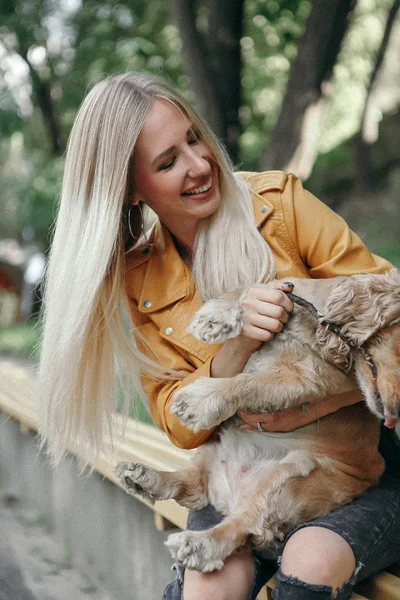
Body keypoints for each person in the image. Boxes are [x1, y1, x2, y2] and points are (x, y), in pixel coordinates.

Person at [38, 72, 400, 600]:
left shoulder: (283, 205)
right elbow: (179, 423)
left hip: (355, 467)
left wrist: (298, 408)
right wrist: (241, 344)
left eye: (193, 138)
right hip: (238, 466)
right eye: (167, 162)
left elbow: (385, 315)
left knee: (311, 558)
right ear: (132, 190)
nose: (200, 164)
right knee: (210, 585)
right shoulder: (141, 276)